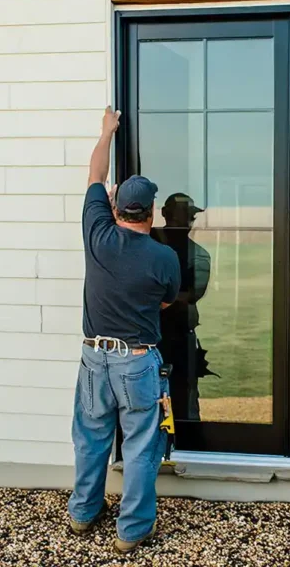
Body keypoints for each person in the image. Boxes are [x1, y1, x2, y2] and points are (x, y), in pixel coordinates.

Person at [68, 107, 181, 553]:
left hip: (94, 356)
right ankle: (131, 531)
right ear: (151, 213)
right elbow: (166, 302)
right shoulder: (164, 258)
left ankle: (83, 512)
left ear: (115, 207)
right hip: (136, 361)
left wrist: (107, 132)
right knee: (140, 445)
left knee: (91, 437)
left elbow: (95, 173)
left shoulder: (96, 232)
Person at [151, 193, 213, 421]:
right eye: (182, 216)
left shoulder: (199, 255)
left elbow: (191, 295)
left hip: (180, 339)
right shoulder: (146, 243)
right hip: (149, 340)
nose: (187, 222)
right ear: (165, 214)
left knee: (184, 402)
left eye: (190, 217)